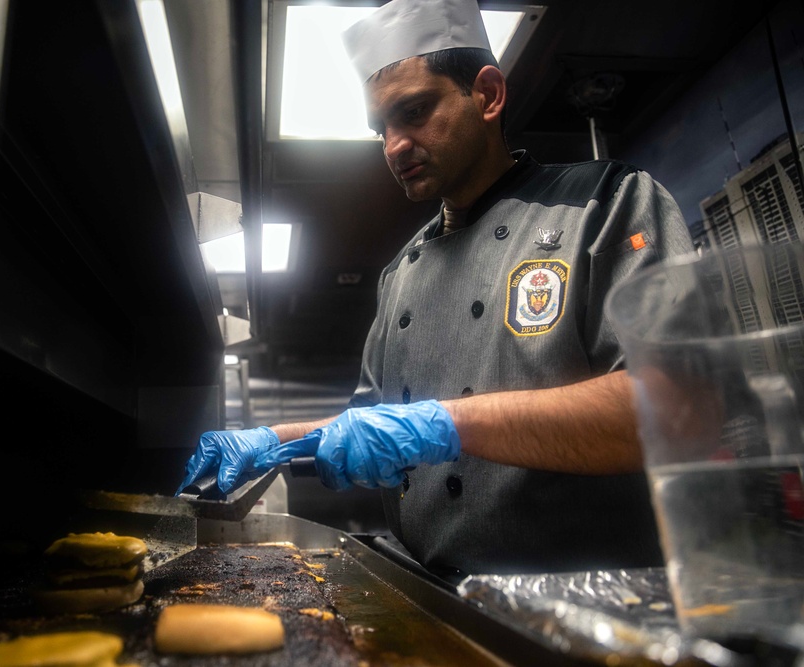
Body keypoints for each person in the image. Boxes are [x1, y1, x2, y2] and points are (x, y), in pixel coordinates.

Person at [178, 0, 694, 579]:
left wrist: (445, 426)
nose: (394, 146)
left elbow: (676, 410)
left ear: (488, 95)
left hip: (591, 611)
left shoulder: (606, 203)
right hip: (434, 604)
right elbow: (374, 425)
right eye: (382, 129)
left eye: (415, 111)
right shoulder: (401, 274)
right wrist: (270, 440)